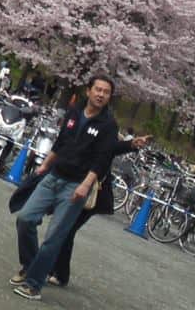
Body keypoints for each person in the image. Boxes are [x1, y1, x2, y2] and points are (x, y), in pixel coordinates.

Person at [10, 74, 118, 301]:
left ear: (109, 97)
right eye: (98, 89)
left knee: (54, 236)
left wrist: (85, 185)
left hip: (76, 186)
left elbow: (102, 160)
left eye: (106, 92)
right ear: (88, 91)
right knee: (25, 218)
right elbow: (60, 142)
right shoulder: (74, 112)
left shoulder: (108, 125)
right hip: (54, 176)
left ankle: (33, 284)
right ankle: (31, 265)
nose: (101, 95)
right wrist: (44, 166)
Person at [45, 133, 151, 287]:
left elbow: (112, 147)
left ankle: (57, 272)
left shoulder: (104, 128)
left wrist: (131, 144)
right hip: (72, 185)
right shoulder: (82, 125)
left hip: (93, 193)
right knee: (62, 228)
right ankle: (54, 270)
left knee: (66, 229)